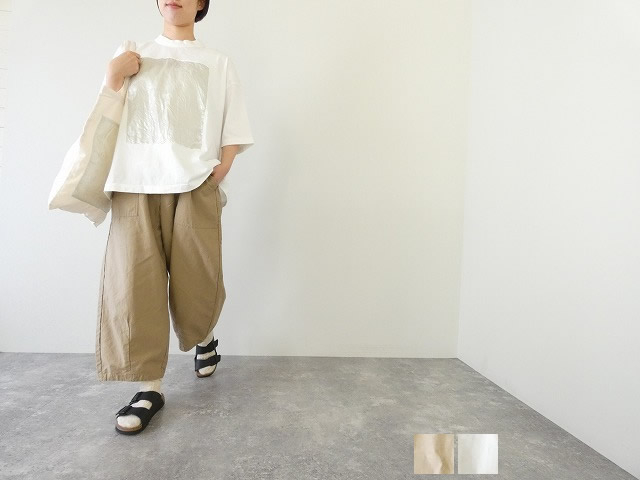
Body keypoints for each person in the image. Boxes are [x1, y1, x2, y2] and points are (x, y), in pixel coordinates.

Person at [95, 0, 254, 435]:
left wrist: (219, 170)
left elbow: (234, 126)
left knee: (196, 281)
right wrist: (112, 76)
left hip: (193, 184)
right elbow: (104, 118)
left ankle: (204, 337)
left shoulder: (218, 62)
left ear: (202, 4)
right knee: (135, 288)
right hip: (134, 184)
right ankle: (149, 388)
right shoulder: (133, 54)